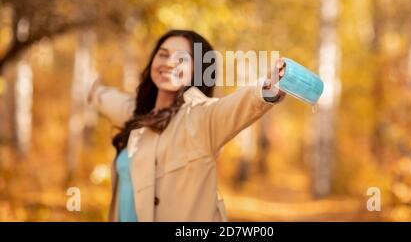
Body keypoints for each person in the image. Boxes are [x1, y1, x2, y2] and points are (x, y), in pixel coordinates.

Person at [87, 29, 286, 222]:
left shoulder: (202, 117)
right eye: (163, 55)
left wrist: (267, 88)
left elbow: (241, 104)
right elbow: (110, 100)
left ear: (198, 69)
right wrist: (95, 93)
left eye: (182, 58)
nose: (169, 63)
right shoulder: (137, 114)